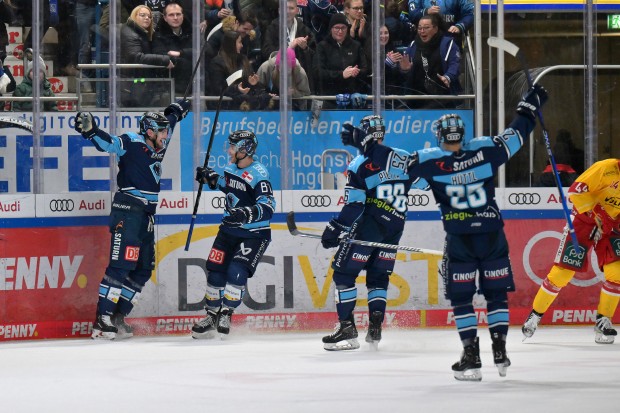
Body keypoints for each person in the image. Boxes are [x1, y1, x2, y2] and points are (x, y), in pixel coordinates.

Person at [342, 84, 548, 380]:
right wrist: (530, 107)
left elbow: (393, 163)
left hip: (460, 240)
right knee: (496, 297)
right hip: (492, 235)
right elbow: (516, 135)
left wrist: (365, 144)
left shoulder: (431, 161)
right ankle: (500, 351)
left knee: (463, 301)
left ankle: (472, 358)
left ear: (440, 137)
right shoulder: (485, 150)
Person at [73, 98, 190, 339]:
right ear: (149, 132)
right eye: (162, 132)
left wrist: (176, 111)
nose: (166, 135)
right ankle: (101, 320)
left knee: (143, 269)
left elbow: (170, 120)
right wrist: (92, 131)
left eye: (166, 131)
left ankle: (117, 317)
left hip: (147, 215)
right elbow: (110, 144)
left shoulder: (159, 145)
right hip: (127, 210)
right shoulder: (132, 141)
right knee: (120, 265)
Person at [320, 115, 428, 351]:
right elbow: (426, 183)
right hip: (395, 227)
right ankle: (375, 328)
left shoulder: (359, 163)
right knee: (378, 278)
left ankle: (347, 330)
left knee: (343, 275)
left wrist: (334, 228)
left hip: (369, 227)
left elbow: (354, 206)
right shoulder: (401, 156)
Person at [522, 158, 620, 344]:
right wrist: (595, 213)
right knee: (562, 274)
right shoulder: (605, 168)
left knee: (617, 272)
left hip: (612, 226)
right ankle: (535, 314)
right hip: (584, 221)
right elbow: (575, 191)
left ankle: (603, 321)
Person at [191, 130, 276, 339]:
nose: (229, 150)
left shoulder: (259, 174)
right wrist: (211, 178)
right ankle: (212, 315)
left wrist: (245, 214)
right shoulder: (230, 168)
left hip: (254, 234)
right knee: (215, 270)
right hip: (228, 230)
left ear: (245, 149)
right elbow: (229, 187)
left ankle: (226, 313)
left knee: (236, 271)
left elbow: (268, 207)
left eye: (232, 147)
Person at [399, 13, 461, 109]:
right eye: (419, 28)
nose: (422, 31)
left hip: (442, 101)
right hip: (416, 100)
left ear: (435, 29)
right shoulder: (413, 45)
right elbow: (405, 73)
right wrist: (404, 70)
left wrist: (448, 77)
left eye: (426, 28)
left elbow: (455, 64)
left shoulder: (448, 44)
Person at [120, 5, 174, 107]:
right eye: (142, 15)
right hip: (130, 85)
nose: (147, 18)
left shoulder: (141, 32)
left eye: (149, 16)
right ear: (134, 16)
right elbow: (136, 57)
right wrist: (165, 60)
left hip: (139, 83)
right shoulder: (129, 33)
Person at [314, 13, 368, 109]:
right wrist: (341, 74)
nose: (340, 31)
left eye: (343, 28)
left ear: (347, 28)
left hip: (352, 97)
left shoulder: (356, 46)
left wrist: (356, 72)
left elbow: (365, 69)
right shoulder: (322, 46)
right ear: (331, 29)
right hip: (329, 98)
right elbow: (318, 72)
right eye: (336, 28)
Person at [261, 0, 315, 91]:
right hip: (277, 74)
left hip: (298, 76)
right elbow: (266, 51)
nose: (287, 11)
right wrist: (290, 47)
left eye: (291, 8)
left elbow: (314, 55)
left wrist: (305, 48)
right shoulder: (272, 28)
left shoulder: (304, 30)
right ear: (279, 10)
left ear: (297, 10)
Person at [152, 2, 193, 96]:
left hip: (196, 86)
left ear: (183, 15)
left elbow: (206, 51)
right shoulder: (158, 35)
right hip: (171, 87)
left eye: (178, 14)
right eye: (171, 15)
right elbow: (161, 56)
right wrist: (189, 57)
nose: (175, 17)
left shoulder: (193, 32)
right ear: (165, 18)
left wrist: (181, 53)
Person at [407, 0, 474, 39]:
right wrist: (426, 11)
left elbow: (471, 13)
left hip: (451, 37)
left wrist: (459, 26)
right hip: (425, 41)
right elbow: (412, 14)